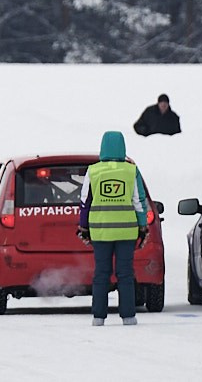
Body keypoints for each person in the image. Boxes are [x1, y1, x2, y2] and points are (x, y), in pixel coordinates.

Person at [80, 130, 148, 327]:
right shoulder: (131, 171)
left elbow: (85, 201)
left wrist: (83, 226)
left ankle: (98, 317)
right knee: (125, 273)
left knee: (101, 272)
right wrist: (142, 225)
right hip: (126, 231)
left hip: (100, 231)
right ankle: (128, 316)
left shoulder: (93, 171)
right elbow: (139, 201)